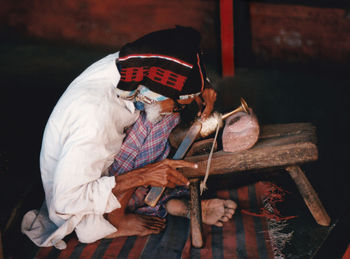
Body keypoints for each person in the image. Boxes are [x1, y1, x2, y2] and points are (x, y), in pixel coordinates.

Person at [21, 26, 237, 250]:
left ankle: (171, 204)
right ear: (157, 92)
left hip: (98, 159)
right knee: (160, 120)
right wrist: (143, 176)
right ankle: (116, 220)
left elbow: (178, 65)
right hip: (76, 198)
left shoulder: (131, 66)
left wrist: (201, 85)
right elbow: (66, 200)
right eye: (181, 102)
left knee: (162, 117)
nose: (181, 108)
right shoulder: (94, 119)